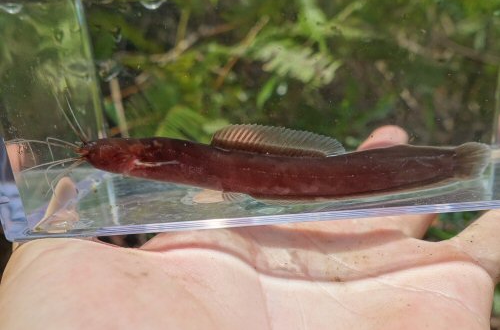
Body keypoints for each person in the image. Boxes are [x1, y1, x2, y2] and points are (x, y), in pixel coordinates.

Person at [0, 126, 498, 329]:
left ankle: (457, 165)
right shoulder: (136, 158)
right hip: (260, 178)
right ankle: (458, 165)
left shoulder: (146, 154)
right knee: (345, 178)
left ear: (134, 155)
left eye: (103, 152)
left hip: (275, 177)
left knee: (348, 177)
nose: (99, 156)